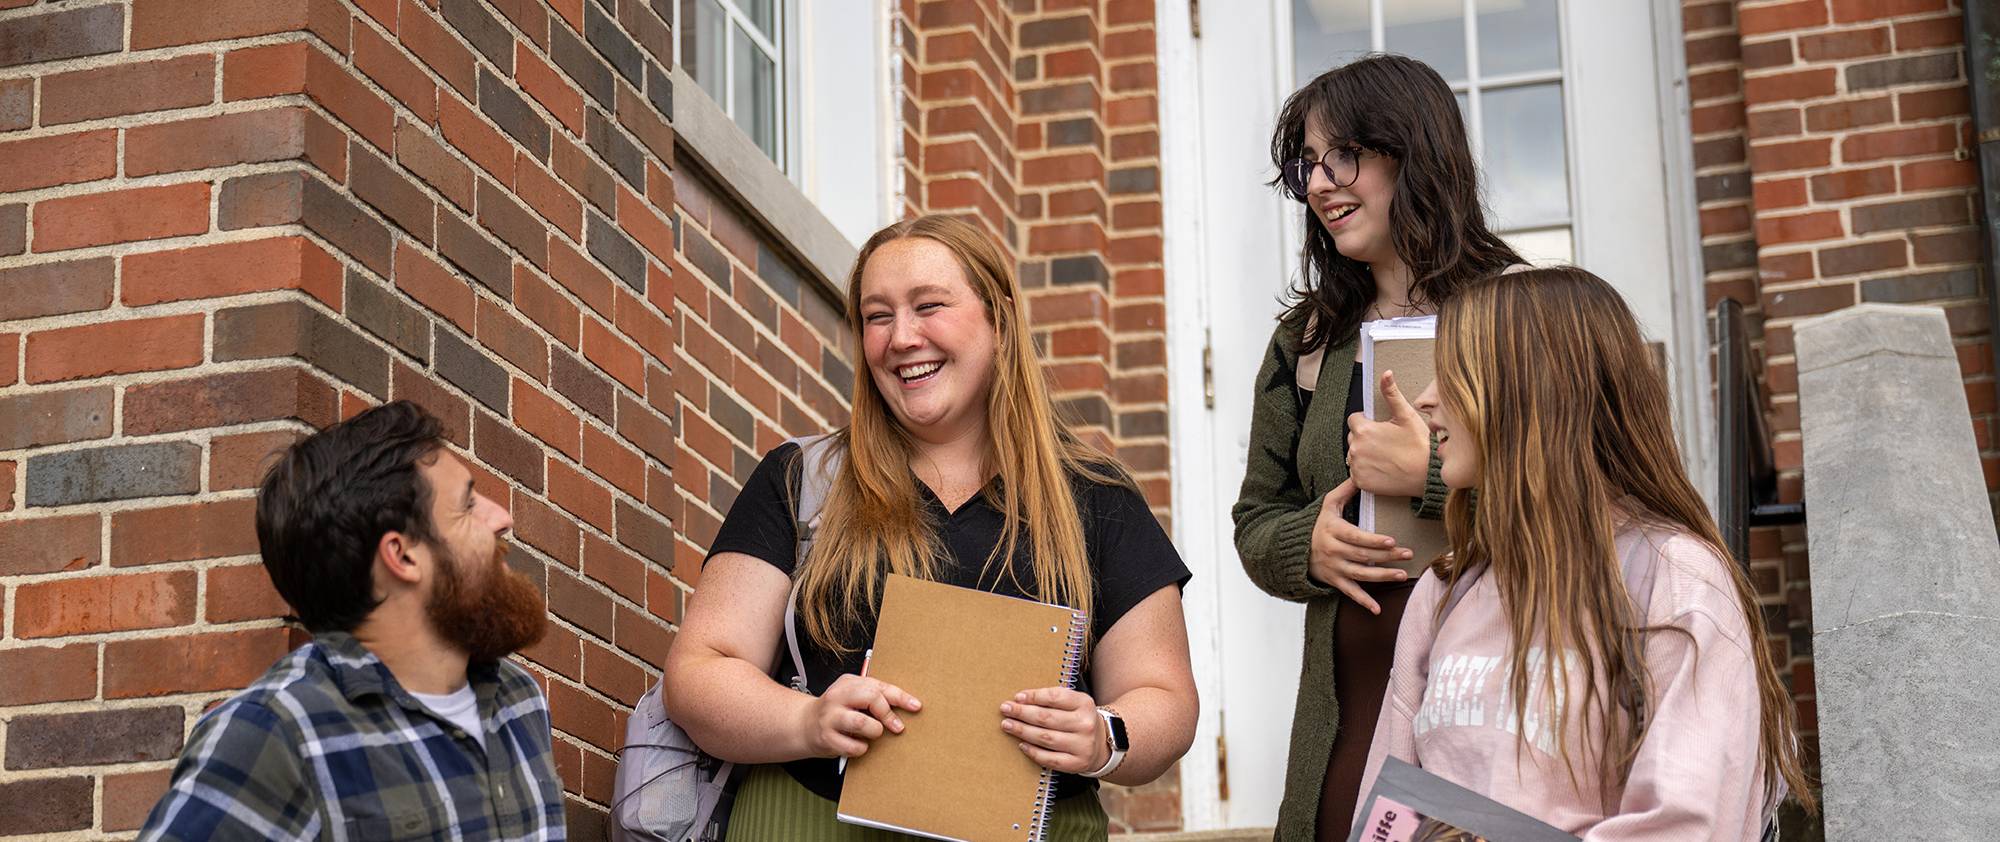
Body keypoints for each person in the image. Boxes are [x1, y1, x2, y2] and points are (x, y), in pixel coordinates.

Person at [661, 214, 1198, 839]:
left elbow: (1164, 697)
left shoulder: (1097, 500)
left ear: (998, 319)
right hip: (811, 821)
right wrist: (806, 721)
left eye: (928, 306)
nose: (901, 337)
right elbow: (699, 672)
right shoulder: (802, 482)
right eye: (877, 316)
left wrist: (1105, 734)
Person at [1359, 266, 1815, 837]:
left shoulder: (1676, 580)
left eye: (1454, 376)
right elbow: (1388, 808)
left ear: (1531, 391)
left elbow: (1683, 827)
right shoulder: (1449, 587)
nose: (1427, 400)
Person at [1231, 53, 1525, 839]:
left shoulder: (1521, 316)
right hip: (1350, 710)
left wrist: (1431, 478)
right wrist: (1308, 544)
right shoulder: (1307, 343)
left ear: (1413, 151)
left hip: (1489, 701)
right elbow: (1255, 522)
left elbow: (1587, 499)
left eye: (1345, 157)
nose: (1321, 184)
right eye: (1308, 166)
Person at [140, 401, 564, 840]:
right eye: (468, 505)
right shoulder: (278, 733)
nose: (502, 518)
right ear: (401, 556)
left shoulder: (517, 700)